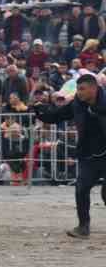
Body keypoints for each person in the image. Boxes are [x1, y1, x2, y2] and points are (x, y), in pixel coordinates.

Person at [34, 71, 106, 238]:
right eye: (78, 89)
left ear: (94, 89)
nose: (79, 92)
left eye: (82, 89)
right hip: (88, 154)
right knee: (81, 188)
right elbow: (57, 115)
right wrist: (40, 109)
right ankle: (83, 227)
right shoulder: (77, 104)